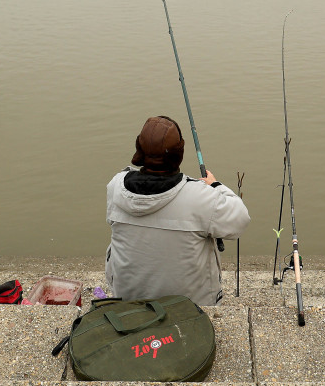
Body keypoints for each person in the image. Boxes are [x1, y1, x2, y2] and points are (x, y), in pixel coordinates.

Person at [105, 115, 251, 306]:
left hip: (128, 301)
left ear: (139, 151)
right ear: (179, 154)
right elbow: (240, 219)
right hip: (190, 307)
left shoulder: (116, 186)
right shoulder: (201, 198)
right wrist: (215, 185)